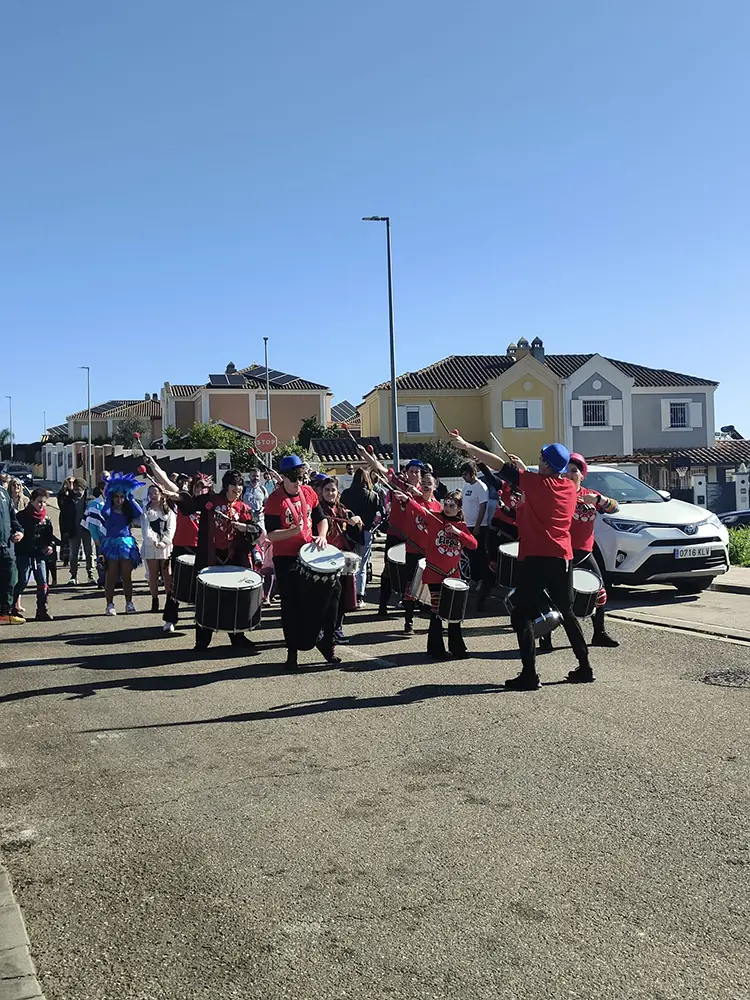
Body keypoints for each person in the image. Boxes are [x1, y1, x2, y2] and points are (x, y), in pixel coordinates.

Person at [451, 432, 594, 690]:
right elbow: (539, 485)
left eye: (541, 457)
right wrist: (524, 471)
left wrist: (466, 445)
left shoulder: (534, 482)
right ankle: (585, 667)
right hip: (562, 557)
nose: (538, 460)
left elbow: (498, 465)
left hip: (536, 556)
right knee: (568, 611)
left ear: (546, 463)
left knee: (521, 613)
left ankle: (529, 674)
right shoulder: (568, 488)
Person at [538, 452, 620, 652]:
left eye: (574, 471)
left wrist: (599, 499)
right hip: (560, 552)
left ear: (582, 475)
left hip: (584, 552)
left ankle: (599, 632)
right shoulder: (556, 492)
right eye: (566, 471)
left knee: (599, 592)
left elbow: (615, 508)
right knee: (554, 595)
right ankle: (545, 636)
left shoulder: (589, 494)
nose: (569, 474)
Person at [177, 469, 262, 651]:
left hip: (233, 558)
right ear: (226, 486)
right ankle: (202, 641)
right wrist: (173, 494)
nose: (237, 488)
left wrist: (244, 527)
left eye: (240, 485)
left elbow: (256, 530)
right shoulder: (211, 501)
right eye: (234, 484)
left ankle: (237, 636)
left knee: (235, 599)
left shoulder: (243, 508)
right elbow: (189, 504)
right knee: (207, 599)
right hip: (211, 556)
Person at [264, 455, 331, 668]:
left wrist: (322, 535)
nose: (297, 482)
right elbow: (271, 535)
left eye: (301, 478)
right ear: (284, 477)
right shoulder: (274, 500)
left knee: (329, 593)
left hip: (308, 554)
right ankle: (292, 651)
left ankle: (323, 640)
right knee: (291, 604)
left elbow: (321, 519)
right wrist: (292, 531)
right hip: (285, 557)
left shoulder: (309, 492)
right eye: (293, 478)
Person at [420, 491, 477, 658]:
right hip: (434, 574)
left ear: (459, 508)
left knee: (454, 613)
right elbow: (419, 510)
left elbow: (473, 544)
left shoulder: (461, 526)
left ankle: (457, 648)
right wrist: (407, 500)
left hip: (453, 575)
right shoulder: (435, 518)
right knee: (437, 611)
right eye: (445, 504)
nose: (447, 508)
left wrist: (458, 532)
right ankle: (435, 648)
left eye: (452, 505)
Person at [317, 477, 364, 643]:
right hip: (323, 558)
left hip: (342, 557)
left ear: (338, 492)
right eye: (327, 490)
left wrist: (357, 523)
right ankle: (323, 629)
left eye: (333, 490)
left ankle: (337, 627)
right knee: (325, 596)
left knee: (342, 595)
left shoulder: (344, 511)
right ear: (321, 492)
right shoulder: (317, 510)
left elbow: (357, 535)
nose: (330, 493)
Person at [100, 473, 143, 616]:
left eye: (122, 497)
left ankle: (129, 603)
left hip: (126, 544)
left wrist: (130, 498)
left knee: (126, 576)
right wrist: (108, 498)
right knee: (111, 575)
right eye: (116, 497)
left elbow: (139, 512)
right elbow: (104, 513)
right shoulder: (109, 509)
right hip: (111, 544)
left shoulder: (128, 510)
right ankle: (109, 604)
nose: (119, 499)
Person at [340, 468, 381, 606]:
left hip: (348, 532)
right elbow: (380, 514)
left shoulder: (346, 494)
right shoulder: (373, 495)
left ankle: (347, 594)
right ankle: (359, 596)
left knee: (348, 564)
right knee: (362, 565)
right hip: (366, 532)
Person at [13, 489, 55, 621]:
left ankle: (42, 610)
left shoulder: (46, 519)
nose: (42, 505)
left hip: (39, 555)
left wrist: (50, 546)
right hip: (24, 554)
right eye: (39, 502)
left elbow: (50, 537)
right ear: (31, 501)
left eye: (44, 502)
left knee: (43, 582)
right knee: (22, 581)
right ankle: (11, 608)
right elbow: (15, 532)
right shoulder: (21, 516)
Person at [140, 485, 177, 614]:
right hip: (151, 546)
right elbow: (146, 529)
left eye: (155, 493)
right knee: (153, 574)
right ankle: (154, 600)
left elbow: (171, 528)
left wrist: (164, 542)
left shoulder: (168, 511)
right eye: (150, 493)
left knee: (167, 574)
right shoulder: (146, 510)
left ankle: (169, 600)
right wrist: (155, 541)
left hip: (165, 547)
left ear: (161, 494)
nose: (153, 495)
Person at [460, 461, 493, 604]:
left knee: (480, 555)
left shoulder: (481, 487)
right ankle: (473, 578)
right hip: (467, 525)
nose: (463, 477)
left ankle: (483, 580)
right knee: (470, 554)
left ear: (472, 473)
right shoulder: (466, 486)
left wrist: (478, 526)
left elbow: (483, 507)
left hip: (479, 526)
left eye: (465, 474)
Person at [58, 478, 93, 585]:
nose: (77, 492)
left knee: (89, 553)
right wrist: (65, 531)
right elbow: (63, 513)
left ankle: (90, 574)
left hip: (87, 531)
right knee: (73, 554)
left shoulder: (90, 500)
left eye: (79, 490)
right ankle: (73, 575)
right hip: (74, 531)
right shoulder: (69, 500)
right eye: (75, 490)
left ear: (84, 489)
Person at [0, 478, 24, 625]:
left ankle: (5, 613)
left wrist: (19, 531)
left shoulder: (3, 493)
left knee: (9, 579)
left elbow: (13, 518)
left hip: (6, 546)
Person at [242, 468, 267, 532]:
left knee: (262, 537)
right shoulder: (243, 489)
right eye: (253, 476)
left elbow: (267, 504)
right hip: (246, 521)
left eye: (257, 476)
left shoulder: (263, 489)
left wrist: (263, 509)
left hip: (259, 521)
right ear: (249, 476)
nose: (256, 478)